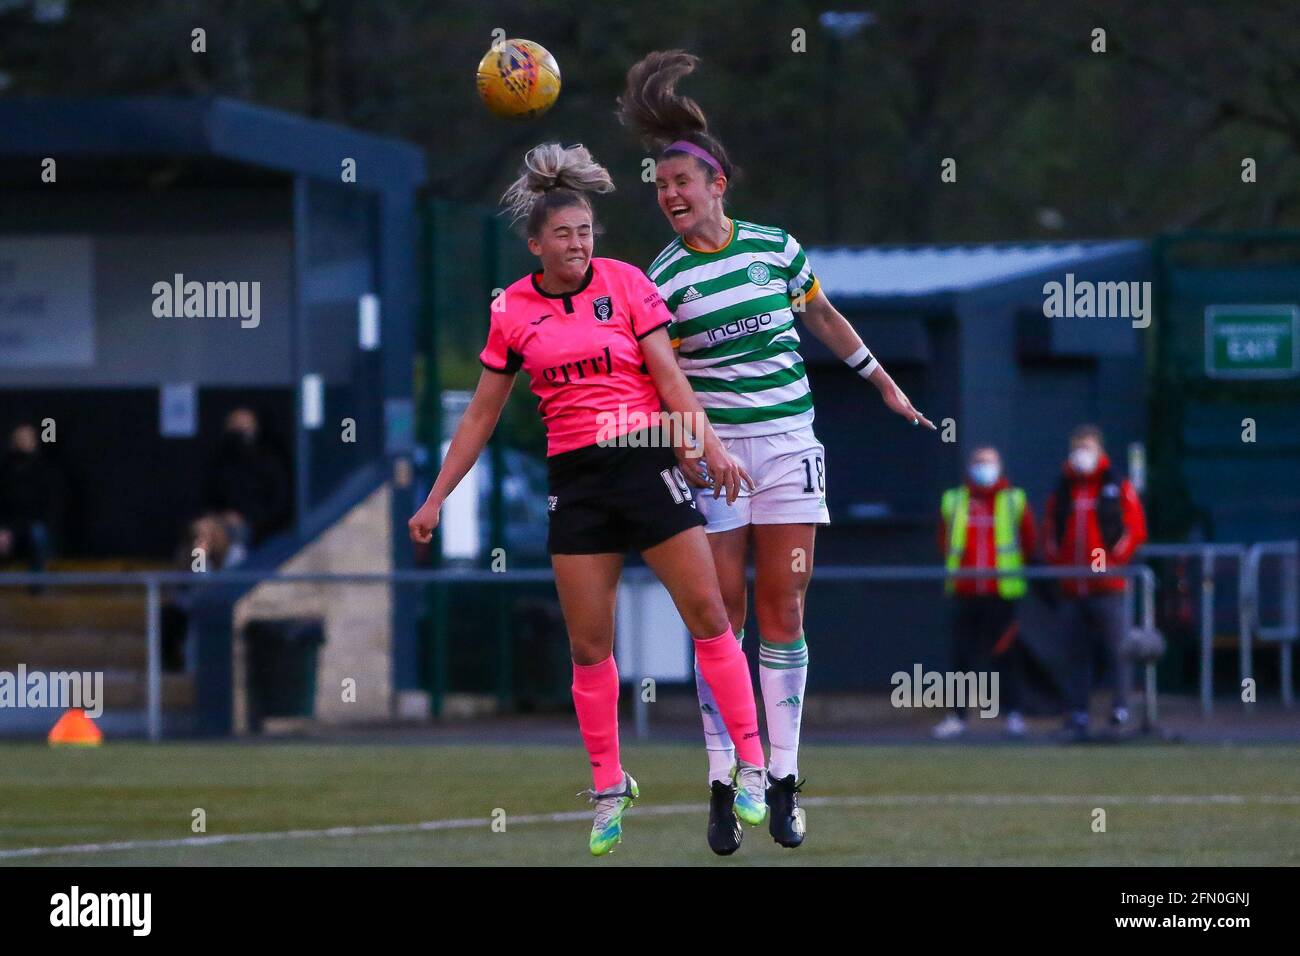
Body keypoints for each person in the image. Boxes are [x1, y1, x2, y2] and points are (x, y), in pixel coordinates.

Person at [407, 143, 769, 857]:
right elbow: (481, 415)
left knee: (708, 614)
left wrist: (710, 445)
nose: (577, 244)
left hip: (644, 462)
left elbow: (668, 376)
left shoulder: (628, 284)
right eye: (563, 234)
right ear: (536, 243)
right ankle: (609, 785)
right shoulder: (512, 309)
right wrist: (435, 498)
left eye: (585, 232)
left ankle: (751, 764)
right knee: (587, 644)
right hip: (575, 481)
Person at [618, 51, 936, 854]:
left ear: (717, 183)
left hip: (791, 445)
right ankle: (726, 777)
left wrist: (883, 384)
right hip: (714, 457)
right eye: (658, 188)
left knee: (782, 610)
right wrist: (685, 446)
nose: (669, 196)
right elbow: (659, 380)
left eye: (681, 183)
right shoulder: (662, 281)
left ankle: (786, 780)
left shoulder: (774, 249)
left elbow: (825, 319)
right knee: (716, 615)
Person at [1043, 424, 1147, 740]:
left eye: (1087, 447)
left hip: (1107, 585)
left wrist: (1111, 561)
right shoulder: (1064, 487)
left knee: (1118, 651)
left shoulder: (1114, 484)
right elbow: (1050, 529)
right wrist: (1059, 563)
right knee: (1075, 653)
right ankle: (1077, 712)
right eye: (1077, 447)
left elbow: (1134, 528)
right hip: (1072, 585)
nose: (1081, 454)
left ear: (1099, 450)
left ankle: (1120, 710)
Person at [933, 446, 1035, 740]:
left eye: (989, 462)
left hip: (1002, 591)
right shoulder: (955, 500)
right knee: (961, 654)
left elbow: (1029, 540)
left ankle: (1013, 715)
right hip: (964, 590)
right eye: (979, 462)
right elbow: (944, 541)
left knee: (1007, 654)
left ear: (1000, 466)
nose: (984, 467)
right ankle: (958, 716)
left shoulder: (1014, 500)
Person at [201, 407, 290, 548]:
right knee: (201, 532)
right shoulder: (220, 463)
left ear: (254, 429)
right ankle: (199, 568)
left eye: (244, 428)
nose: (239, 434)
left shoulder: (269, 463)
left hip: (259, 527)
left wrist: (247, 519)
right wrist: (219, 517)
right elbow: (208, 498)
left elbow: (278, 505)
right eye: (235, 428)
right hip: (221, 523)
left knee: (238, 534)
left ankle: (237, 568)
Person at [0, 423, 67, 575]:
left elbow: (49, 510)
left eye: (27, 438)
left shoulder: (45, 471)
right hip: (10, 528)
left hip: (36, 526)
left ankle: (36, 587)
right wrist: (3, 529)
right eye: (20, 438)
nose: (23, 442)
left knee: (38, 533)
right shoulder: (5, 472)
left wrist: (15, 528)